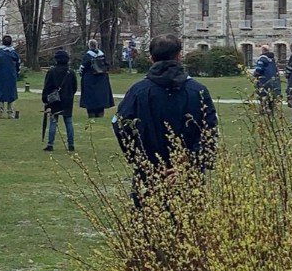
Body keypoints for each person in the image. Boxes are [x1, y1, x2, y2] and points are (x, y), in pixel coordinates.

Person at [113, 34, 218, 181]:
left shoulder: (138, 92)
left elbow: (120, 124)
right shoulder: (198, 91)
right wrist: (192, 160)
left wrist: (140, 157)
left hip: (150, 173)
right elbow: (209, 130)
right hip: (188, 174)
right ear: (178, 57)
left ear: (151, 58)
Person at [41, 49, 77, 153]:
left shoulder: (52, 71)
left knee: (53, 122)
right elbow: (74, 87)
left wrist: (45, 98)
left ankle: (50, 144)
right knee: (68, 122)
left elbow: (47, 86)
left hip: (54, 99)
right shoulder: (70, 72)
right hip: (67, 99)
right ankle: (71, 145)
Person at [79, 39, 113, 118]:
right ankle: (100, 114)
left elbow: (82, 68)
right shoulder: (102, 55)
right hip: (102, 80)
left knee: (90, 98)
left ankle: (91, 114)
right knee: (100, 98)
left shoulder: (87, 56)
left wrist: (81, 75)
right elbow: (107, 66)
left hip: (89, 80)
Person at [0, 36, 21, 119]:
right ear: (11, 42)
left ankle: (0, 113)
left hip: (0, 76)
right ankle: (10, 113)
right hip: (11, 77)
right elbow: (18, 66)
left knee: (0, 93)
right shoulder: (14, 54)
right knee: (11, 94)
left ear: (2, 42)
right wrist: (17, 75)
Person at [250, 46, 282, 114]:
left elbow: (259, 69)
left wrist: (254, 75)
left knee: (263, 95)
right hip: (272, 80)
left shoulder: (262, 59)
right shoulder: (273, 59)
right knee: (271, 95)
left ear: (263, 50)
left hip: (263, 80)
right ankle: (271, 109)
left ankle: (263, 109)